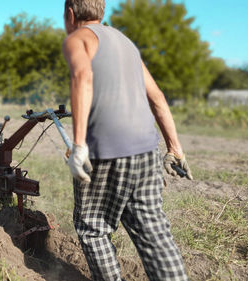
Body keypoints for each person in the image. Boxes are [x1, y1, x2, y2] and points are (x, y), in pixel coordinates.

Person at [63, 0, 193, 280]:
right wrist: (175, 149)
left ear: (70, 14)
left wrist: (79, 145)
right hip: (146, 151)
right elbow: (157, 97)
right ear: (102, 11)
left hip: (106, 152)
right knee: (152, 229)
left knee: (93, 228)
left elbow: (82, 78)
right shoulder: (125, 43)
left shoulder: (78, 38)